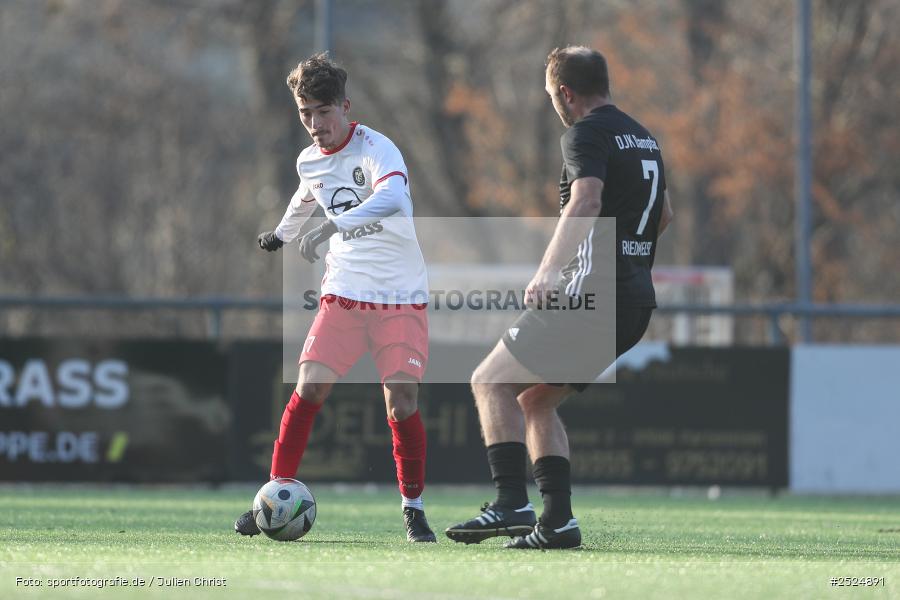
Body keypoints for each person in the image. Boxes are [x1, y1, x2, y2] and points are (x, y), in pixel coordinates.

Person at [445, 46, 674, 549]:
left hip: (591, 297)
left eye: (553, 96)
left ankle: (511, 503)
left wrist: (549, 271)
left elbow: (588, 199)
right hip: (634, 303)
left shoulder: (585, 133)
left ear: (565, 93)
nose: (555, 105)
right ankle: (559, 522)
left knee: (488, 382)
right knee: (535, 401)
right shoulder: (643, 137)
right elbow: (663, 216)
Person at [234, 53, 435, 542]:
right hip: (343, 292)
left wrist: (332, 224)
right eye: (305, 113)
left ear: (345, 106)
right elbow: (306, 195)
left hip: (399, 295)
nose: (314, 123)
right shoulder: (307, 159)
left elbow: (391, 199)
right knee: (309, 387)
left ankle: (413, 507)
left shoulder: (377, 148)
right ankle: (272, 495)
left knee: (401, 402)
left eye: (323, 111)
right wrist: (281, 234)